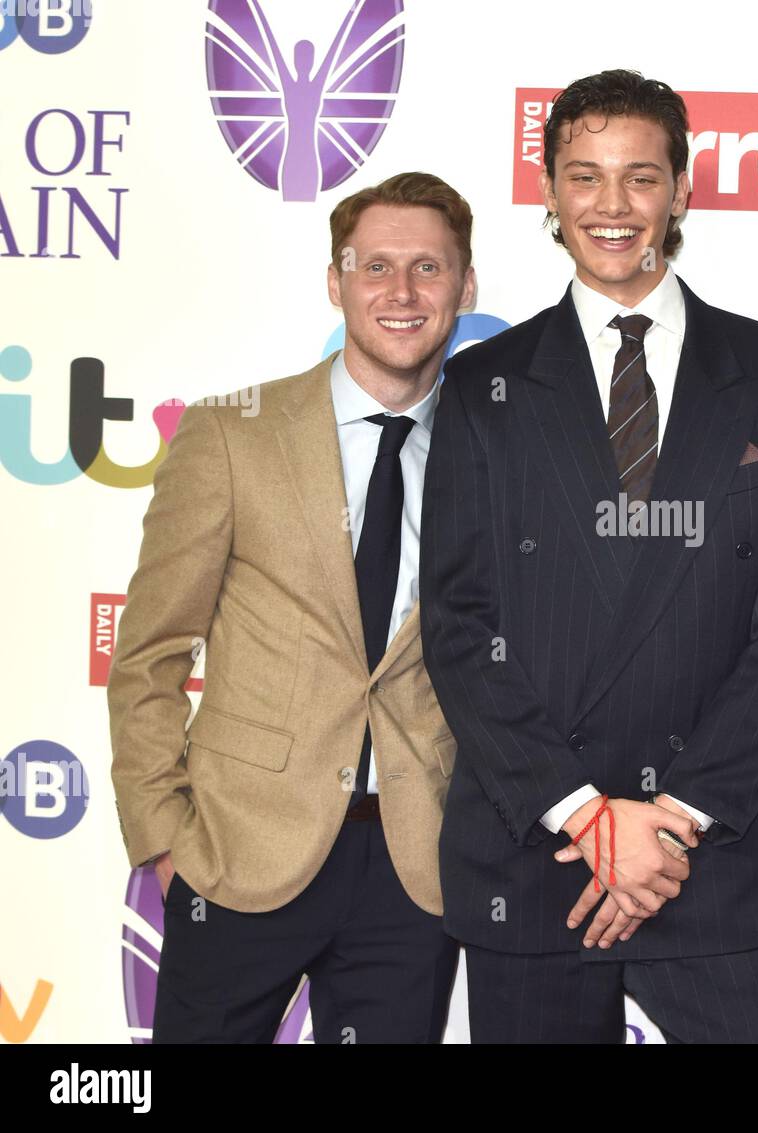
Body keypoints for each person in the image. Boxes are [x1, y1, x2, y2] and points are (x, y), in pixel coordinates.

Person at [420, 69, 758, 1043]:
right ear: (550, 191)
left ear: (680, 190)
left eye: (640, 177)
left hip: (706, 857)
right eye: (585, 177)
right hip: (539, 853)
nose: (612, 206)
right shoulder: (483, 385)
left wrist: (672, 820)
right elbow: (459, 623)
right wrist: (586, 816)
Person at [108, 171, 476, 1043]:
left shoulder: (494, 448)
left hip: (412, 866)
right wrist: (164, 839)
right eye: (375, 266)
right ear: (335, 283)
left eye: (427, 268)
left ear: (466, 287)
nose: (401, 291)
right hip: (239, 850)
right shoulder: (233, 433)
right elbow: (152, 649)